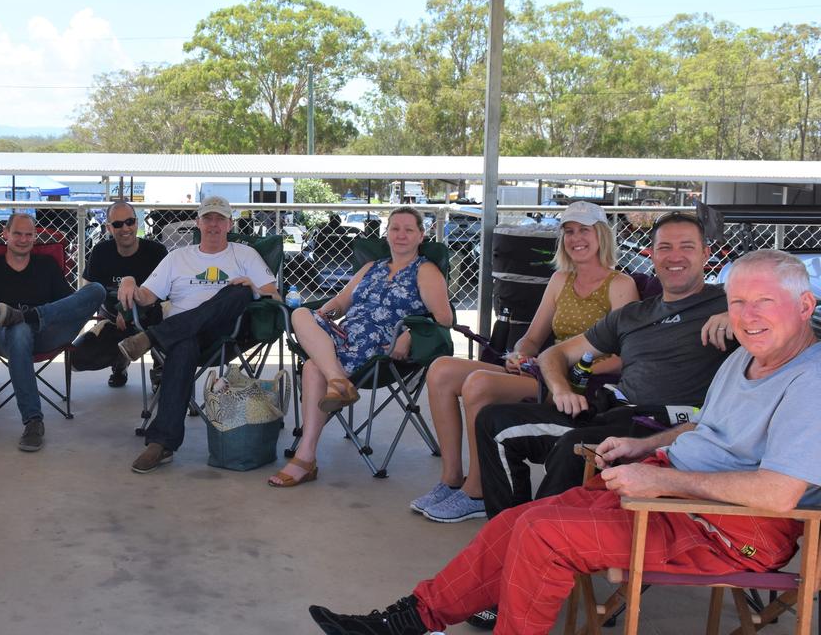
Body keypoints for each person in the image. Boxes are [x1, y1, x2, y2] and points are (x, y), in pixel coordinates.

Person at [308, 249, 821, 635]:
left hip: (726, 528)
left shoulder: (811, 382)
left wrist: (662, 477)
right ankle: (412, 618)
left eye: (763, 302)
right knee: (516, 521)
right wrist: (644, 447)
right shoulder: (744, 357)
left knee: (544, 536)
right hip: (672, 496)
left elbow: (779, 493)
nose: (747, 315)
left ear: (804, 305)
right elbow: (704, 429)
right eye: (737, 303)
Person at [474, 210, 736, 519]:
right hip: (612, 412)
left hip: (668, 426)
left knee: (576, 446)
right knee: (494, 420)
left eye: (687, 246)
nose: (674, 256)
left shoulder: (730, 301)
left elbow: (799, 316)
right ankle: (509, 527)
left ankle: (537, 537)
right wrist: (560, 390)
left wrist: (740, 315)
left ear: (706, 253)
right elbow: (553, 355)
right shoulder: (633, 314)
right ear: (650, 254)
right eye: (664, 247)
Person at [412, 201, 638, 521]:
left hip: (580, 383)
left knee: (478, 383)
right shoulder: (561, 279)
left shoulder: (620, 284)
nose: (576, 238)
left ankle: (477, 491)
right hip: (546, 370)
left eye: (584, 230)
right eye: (569, 231)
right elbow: (532, 338)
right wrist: (520, 353)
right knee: (442, 369)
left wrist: (575, 369)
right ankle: (451, 480)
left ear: (601, 235)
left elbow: (627, 356)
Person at [272, 207, 453, 488]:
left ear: (421, 235)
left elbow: (444, 318)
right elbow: (342, 302)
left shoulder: (426, 271)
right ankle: (337, 381)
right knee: (299, 315)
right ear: (387, 233)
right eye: (395, 228)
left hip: (381, 347)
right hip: (344, 337)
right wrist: (325, 313)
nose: (401, 235)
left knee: (311, 366)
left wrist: (410, 335)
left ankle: (305, 457)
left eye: (408, 229)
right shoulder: (372, 267)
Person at [117, 195, 279, 474]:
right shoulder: (177, 258)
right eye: (208, 218)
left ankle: (152, 337)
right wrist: (129, 279)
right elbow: (146, 296)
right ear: (198, 222)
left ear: (230, 224)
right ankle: (161, 444)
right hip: (183, 337)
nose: (214, 224)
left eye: (220, 219)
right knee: (183, 346)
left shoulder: (245, 254)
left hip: (225, 335)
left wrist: (252, 286)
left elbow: (274, 296)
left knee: (239, 291)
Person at [0, 212, 105, 452]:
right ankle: (33, 421)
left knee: (96, 289)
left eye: (29, 234)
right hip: (7, 337)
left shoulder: (46, 265)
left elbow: (67, 303)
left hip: (48, 333)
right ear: (5, 234)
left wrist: (42, 316)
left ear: (35, 237)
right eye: (17, 233)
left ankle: (29, 316)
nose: (23, 239)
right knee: (20, 331)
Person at [72, 200, 167, 387]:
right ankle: (119, 362)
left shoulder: (156, 251)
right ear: (109, 228)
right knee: (75, 359)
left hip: (151, 318)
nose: (125, 228)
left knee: (164, 318)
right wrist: (110, 314)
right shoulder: (101, 251)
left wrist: (131, 310)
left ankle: (160, 371)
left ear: (137, 223)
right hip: (114, 320)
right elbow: (90, 290)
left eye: (130, 221)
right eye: (117, 224)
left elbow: (168, 294)